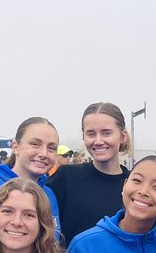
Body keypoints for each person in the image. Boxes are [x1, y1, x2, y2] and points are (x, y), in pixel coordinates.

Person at [47, 103, 131, 245]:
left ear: (122, 136)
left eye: (106, 133)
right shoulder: (66, 178)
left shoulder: (135, 185)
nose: (98, 141)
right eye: (91, 134)